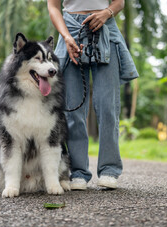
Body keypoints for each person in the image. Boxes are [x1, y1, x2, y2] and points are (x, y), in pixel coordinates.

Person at [48, 0, 138, 190]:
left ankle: (109, 170)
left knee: (108, 107)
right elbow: (53, 7)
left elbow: (119, 2)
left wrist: (106, 13)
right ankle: (79, 172)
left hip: (105, 30)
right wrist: (65, 36)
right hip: (71, 32)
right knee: (73, 110)